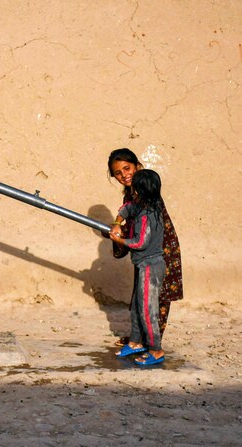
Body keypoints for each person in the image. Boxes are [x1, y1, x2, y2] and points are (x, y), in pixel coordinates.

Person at [106, 148, 183, 346]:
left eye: (127, 168)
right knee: (142, 295)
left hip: (160, 250)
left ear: (137, 166)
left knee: (157, 298)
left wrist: (120, 235)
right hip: (145, 252)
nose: (124, 175)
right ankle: (138, 338)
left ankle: (152, 344)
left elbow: (139, 227)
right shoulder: (130, 197)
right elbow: (128, 217)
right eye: (118, 172)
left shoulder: (147, 191)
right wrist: (117, 226)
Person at [110, 170, 167, 366]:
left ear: (138, 189)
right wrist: (118, 222)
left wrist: (120, 239)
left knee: (147, 309)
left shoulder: (147, 215)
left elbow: (140, 242)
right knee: (136, 306)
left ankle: (156, 349)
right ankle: (135, 342)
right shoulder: (144, 205)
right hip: (143, 265)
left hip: (151, 265)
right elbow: (126, 208)